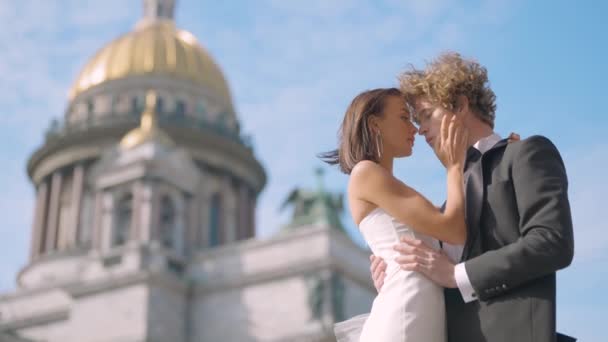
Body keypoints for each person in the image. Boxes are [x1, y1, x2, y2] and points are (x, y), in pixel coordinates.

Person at [369, 52, 575, 342]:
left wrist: (457, 275)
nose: (420, 129)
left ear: (461, 105)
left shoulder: (526, 153)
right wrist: (400, 281)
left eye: (427, 115)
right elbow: (441, 282)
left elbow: (552, 242)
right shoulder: (444, 212)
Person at [320, 86, 469, 341]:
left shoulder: (386, 183)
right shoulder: (365, 173)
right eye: (403, 117)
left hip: (417, 308)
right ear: (374, 123)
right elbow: (454, 230)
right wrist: (454, 167)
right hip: (407, 310)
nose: (414, 128)